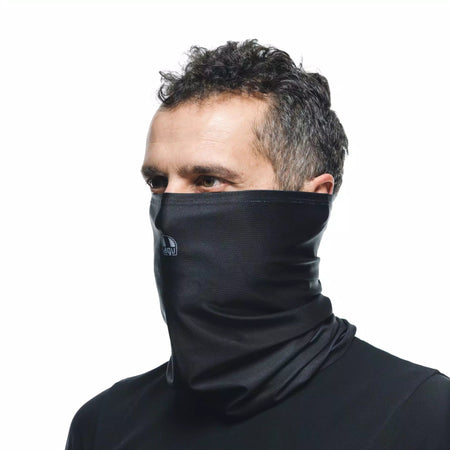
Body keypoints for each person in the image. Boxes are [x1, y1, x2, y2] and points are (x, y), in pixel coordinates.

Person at [65, 39, 450, 449]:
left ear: (309, 202)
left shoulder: (422, 417)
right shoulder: (104, 425)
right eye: (158, 182)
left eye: (208, 180)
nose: (168, 211)